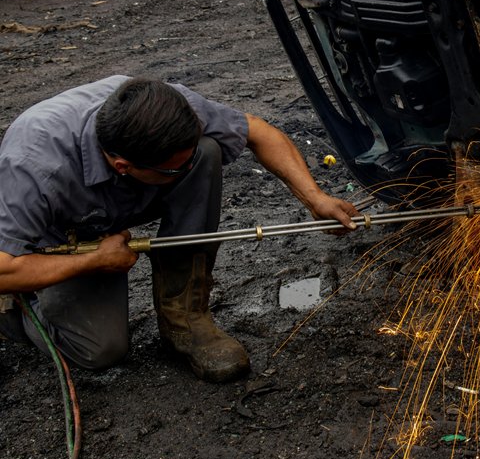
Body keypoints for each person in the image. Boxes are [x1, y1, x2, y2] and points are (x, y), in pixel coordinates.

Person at [0, 75, 359, 382]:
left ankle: (184, 317)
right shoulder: (33, 167)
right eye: (173, 170)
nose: (183, 172)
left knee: (204, 153)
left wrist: (315, 198)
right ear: (123, 166)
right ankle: (18, 311)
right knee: (99, 350)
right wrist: (93, 261)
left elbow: (259, 132)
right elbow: (4, 268)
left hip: (117, 205)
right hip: (54, 242)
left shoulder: (167, 109)